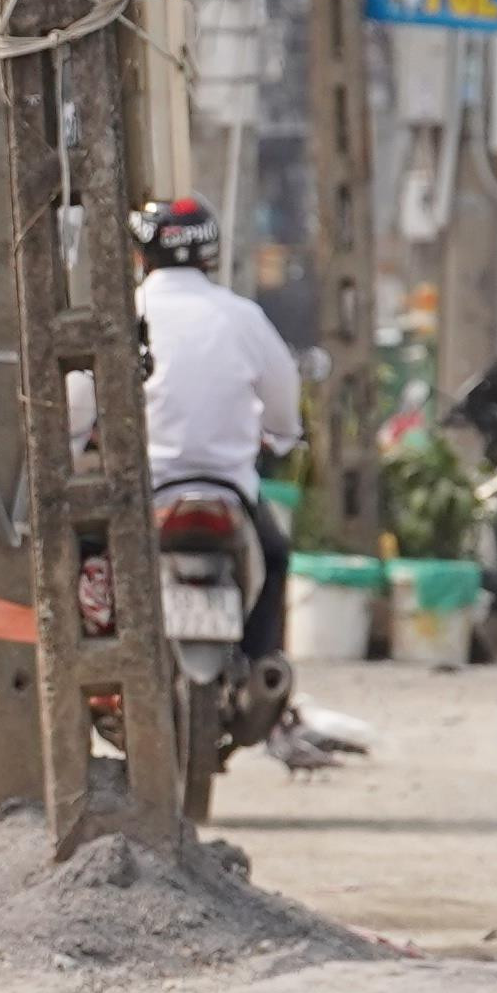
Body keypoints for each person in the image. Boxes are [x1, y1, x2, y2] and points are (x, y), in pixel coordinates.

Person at [128, 196, 302, 663]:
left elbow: (81, 400)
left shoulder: (125, 313)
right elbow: (283, 399)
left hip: (146, 489)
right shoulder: (242, 316)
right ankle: (264, 668)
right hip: (230, 491)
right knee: (277, 556)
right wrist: (281, 437)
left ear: (140, 254)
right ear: (210, 253)